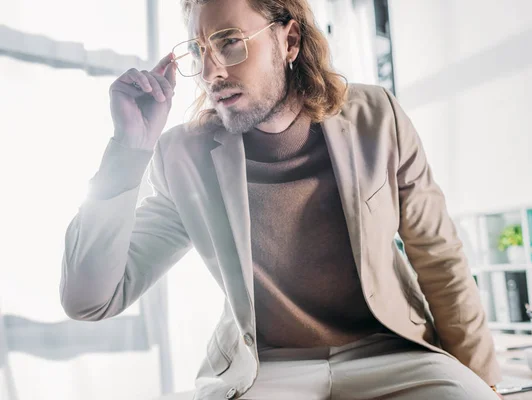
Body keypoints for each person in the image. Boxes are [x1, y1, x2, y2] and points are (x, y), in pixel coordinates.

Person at [60, 0, 504, 398]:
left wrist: (483, 382)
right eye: (200, 51)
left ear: (289, 39)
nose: (212, 71)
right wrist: (128, 149)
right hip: (266, 371)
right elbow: (89, 300)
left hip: (392, 356)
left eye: (229, 42)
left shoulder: (377, 117)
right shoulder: (183, 156)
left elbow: (438, 255)